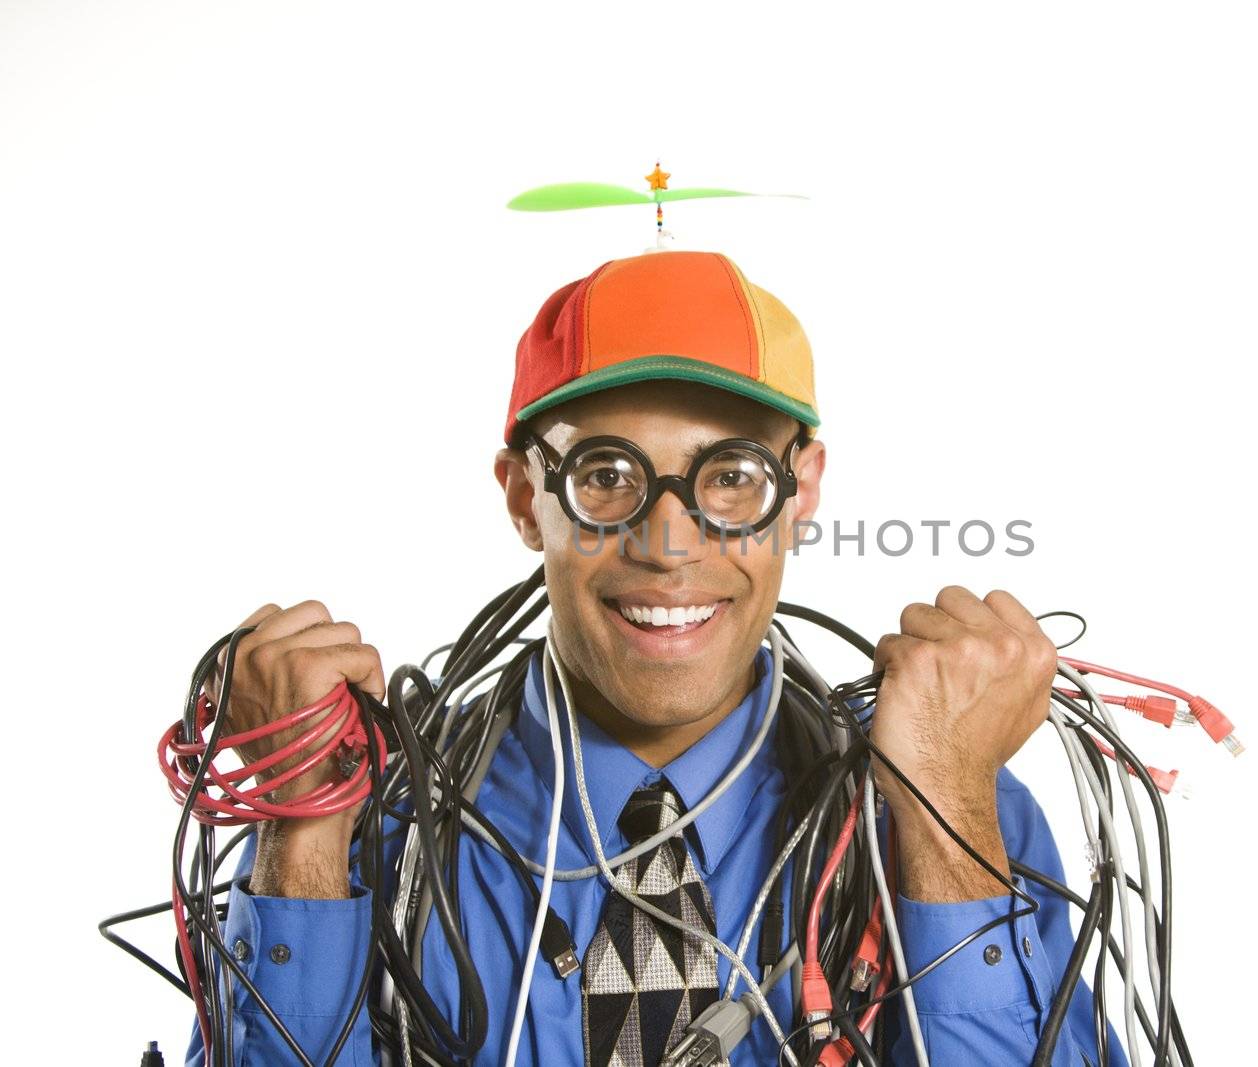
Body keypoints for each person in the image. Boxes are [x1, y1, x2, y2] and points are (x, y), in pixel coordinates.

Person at [189, 249, 1127, 1066]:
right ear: (525, 497)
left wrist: (940, 821)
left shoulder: (954, 804)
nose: (670, 544)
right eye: (605, 474)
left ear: (800, 491)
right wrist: (304, 831)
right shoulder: (372, 828)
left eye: (730, 474)